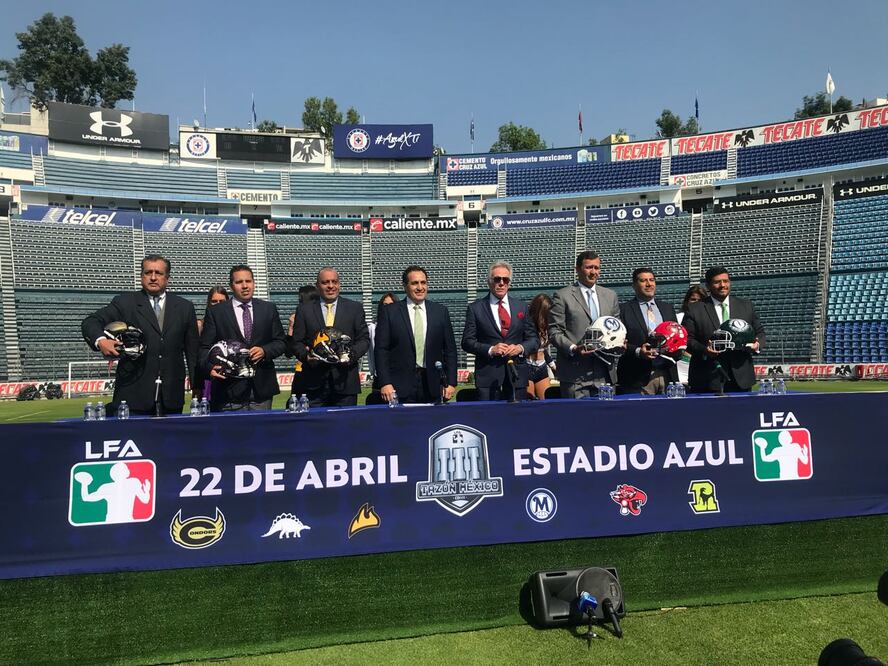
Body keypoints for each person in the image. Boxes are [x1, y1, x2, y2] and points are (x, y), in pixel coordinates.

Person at [81, 254, 198, 416]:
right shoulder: (125, 303)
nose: (153, 277)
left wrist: (198, 387)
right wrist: (101, 340)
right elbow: (91, 321)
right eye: (148, 272)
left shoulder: (185, 307)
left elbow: (193, 353)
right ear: (142, 276)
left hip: (171, 396)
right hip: (133, 394)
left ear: (167, 278)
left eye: (158, 273)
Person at [199, 264, 286, 411]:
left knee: (261, 433)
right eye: (239, 282)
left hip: (261, 390)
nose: (245, 286)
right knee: (231, 433)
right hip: (228, 389)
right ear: (231, 286)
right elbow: (204, 348)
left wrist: (265, 351)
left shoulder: (268, 309)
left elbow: (281, 342)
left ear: (254, 283)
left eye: (248, 281)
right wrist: (209, 367)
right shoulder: (216, 312)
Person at [375, 265, 457, 404]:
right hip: (398, 386)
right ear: (405, 286)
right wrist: (385, 382)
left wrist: (451, 382)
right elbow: (381, 350)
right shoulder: (390, 312)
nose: (420, 287)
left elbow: (450, 350)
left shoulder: (440, 311)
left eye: (423, 282)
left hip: (434, 385)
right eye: (414, 283)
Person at [288, 267, 369, 407]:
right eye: (325, 282)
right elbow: (296, 342)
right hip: (313, 383)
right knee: (315, 427)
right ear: (317, 286)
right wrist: (306, 356)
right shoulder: (304, 310)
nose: (331, 286)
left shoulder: (355, 308)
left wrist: (351, 355)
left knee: (345, 427)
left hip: (345, 383)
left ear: (339, 284)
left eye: (334, 281)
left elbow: (364, 340)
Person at [462, 261, 538, 401]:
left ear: (509, 282)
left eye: (505, 279)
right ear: (489, 282)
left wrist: (520, 347)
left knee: (517, 418)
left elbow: (533, 340)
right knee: (488, 420)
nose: (501, 283)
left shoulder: (521, 307)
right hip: (488, 378)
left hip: (517, 376)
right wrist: (491, 349)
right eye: (497, 279)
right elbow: (467, 342)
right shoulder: (475, 308)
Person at [548, 250, 620, 398]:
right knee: (576, 419)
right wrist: (574, 348)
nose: (593, 272)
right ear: (578, 269)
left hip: (604, 373)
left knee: (606, 419)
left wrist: (620, 341)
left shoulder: (610, 296)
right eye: (589, 267)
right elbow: (554, 332)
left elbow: (616, 327)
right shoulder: (562, 296)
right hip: (575, 376)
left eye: (596, 268)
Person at [682, 266, 765, 394]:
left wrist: (757, 345)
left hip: (741, 377)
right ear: (708, 286)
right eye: (717, 282)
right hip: (707, 378)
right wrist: (705, 350)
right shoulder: (695, 309)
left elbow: (759, 332)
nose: (722, 285)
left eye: (725, 281)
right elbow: (687, 339)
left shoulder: (746, 305)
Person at [617, 268, 679, 395]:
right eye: (643, 280)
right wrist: (638, 351)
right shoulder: (623, 310)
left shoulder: (667, 308)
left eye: (651, 280)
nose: (649, 284)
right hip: (636, 377)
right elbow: (618, 342)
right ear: (634, 285)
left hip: (667, 374)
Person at [195, 286, 229, 401]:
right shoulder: (200, 325)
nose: (218, 304)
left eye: (221, 301)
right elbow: (196, 356)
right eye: (214, 301)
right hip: (207, 377)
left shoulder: (233, 325)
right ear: (208, 303)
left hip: (228, 377)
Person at [285, 285, 319, 398]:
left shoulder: (319, 319)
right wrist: (290, 328)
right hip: (301, 371)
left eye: (300, 299)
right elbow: (288, 353)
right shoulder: (297, 318)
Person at [526, 294, 557, 400]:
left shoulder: (548, 327)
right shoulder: (527, 326)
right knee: (528, 402)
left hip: (542, 367)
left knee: (545, 402)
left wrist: (552, 365)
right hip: (527, 366)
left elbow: (543, 351)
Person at [676, 285, 707, 385]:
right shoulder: (677, 318)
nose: (697, 302)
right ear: (686, 301)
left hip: (702, 364)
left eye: (700, 300)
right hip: (681, 365)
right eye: (693, 299)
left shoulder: (710, 319)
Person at [368, 292, 397, 389]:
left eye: (391, 304)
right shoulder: (373, 328)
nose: (388, 308)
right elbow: (371, 353)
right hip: (380, 377)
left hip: (399, 376)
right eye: (385, 305)